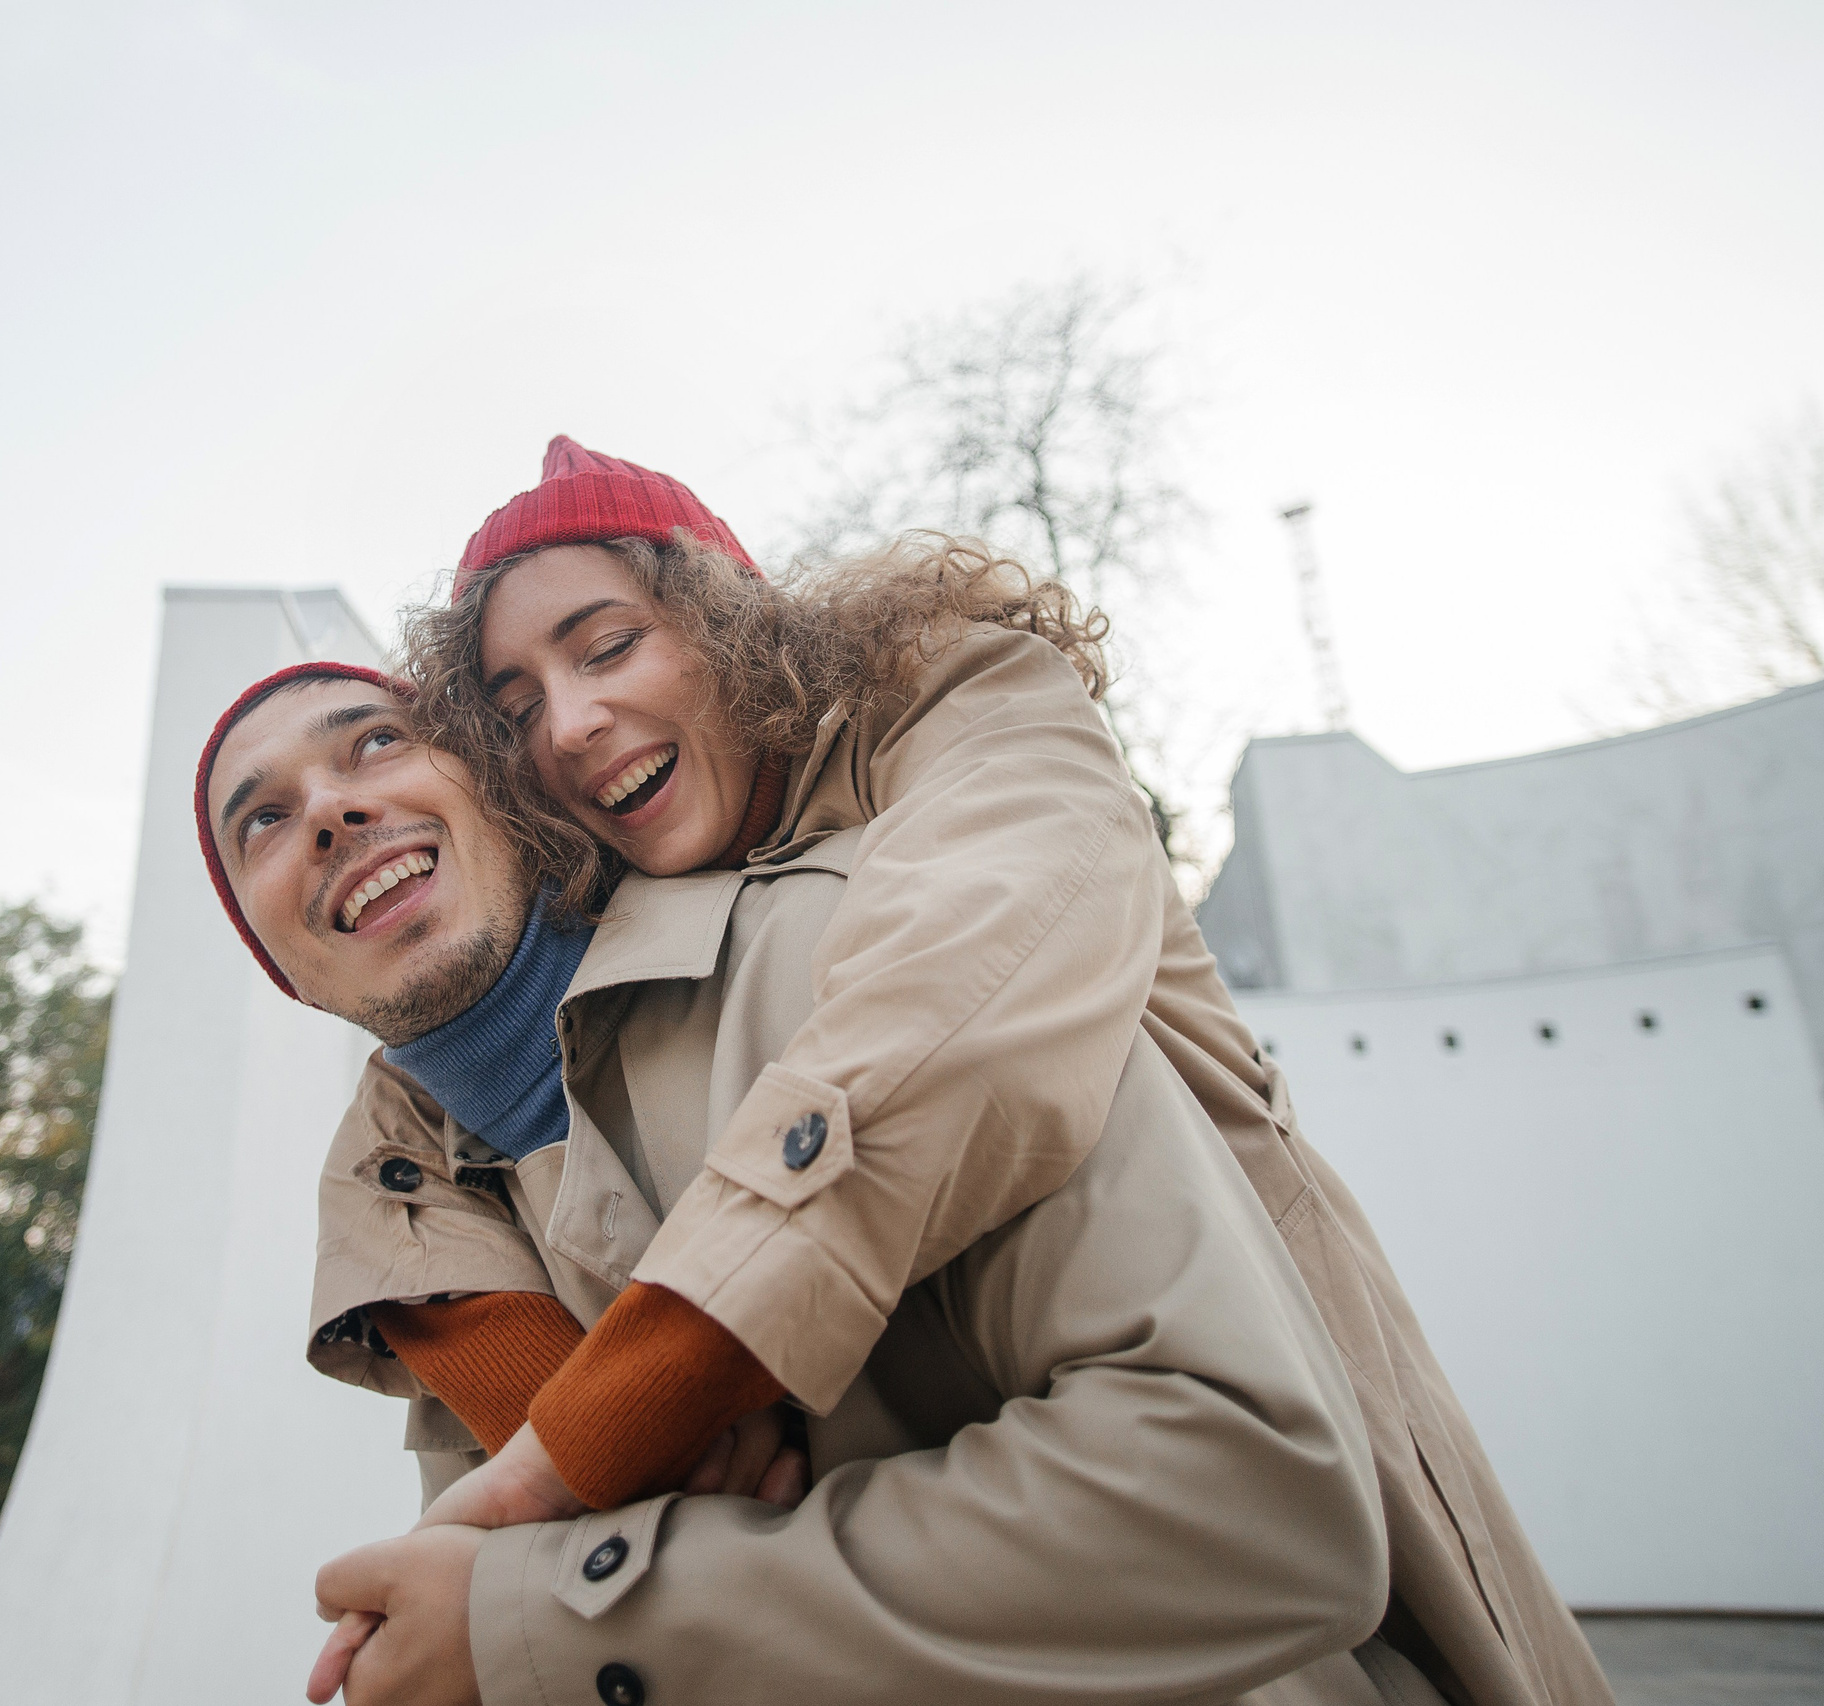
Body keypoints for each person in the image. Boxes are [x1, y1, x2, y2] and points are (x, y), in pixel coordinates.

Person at [267, 438, 1612, 1706]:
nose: (567, 722)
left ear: (727, 618)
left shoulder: (960, 718)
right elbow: (458, 1064)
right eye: (515, 710)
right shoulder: (630, 962)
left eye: (608, 644)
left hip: (1311, 1496)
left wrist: (615, 1424)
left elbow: (949, 999)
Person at [195, 663, 1427, 1706]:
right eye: (263, 818)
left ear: (497, 786)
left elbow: (1262, 1507)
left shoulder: (860, 945)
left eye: (374, 743)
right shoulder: (430, 1264)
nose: (331, 810)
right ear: (274, 962)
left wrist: (556, 1618)